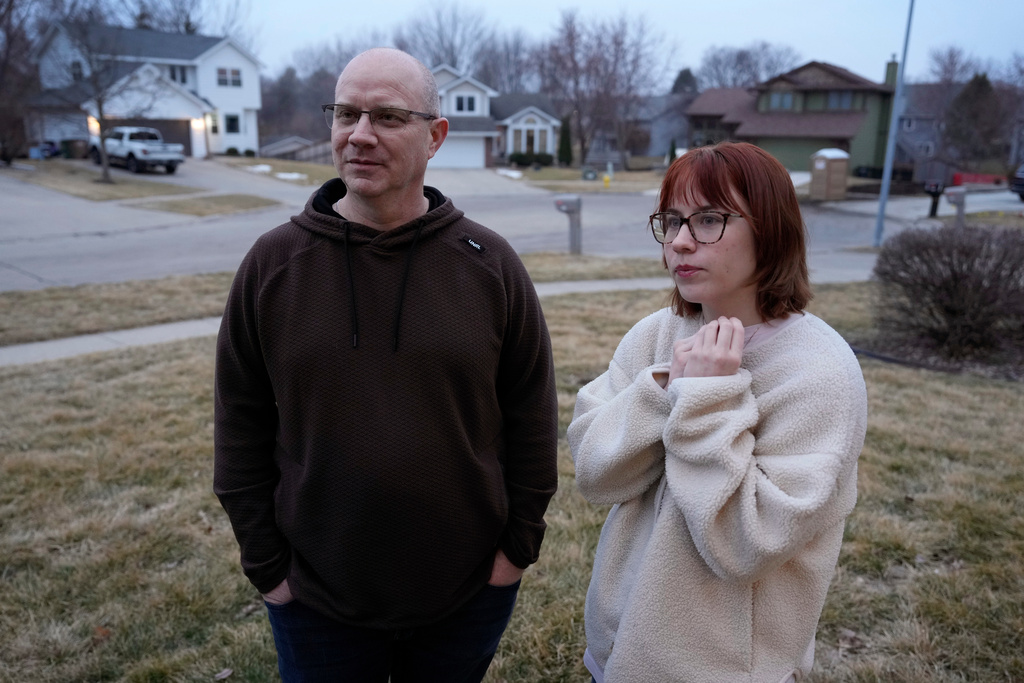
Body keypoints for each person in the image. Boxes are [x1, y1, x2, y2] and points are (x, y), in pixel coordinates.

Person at [213, 47, 558, 682]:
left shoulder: (489, 264)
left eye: (387, 117)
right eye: (346, 114)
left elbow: (532, 417)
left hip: (466, 591)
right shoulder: (273, 266)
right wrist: (268, 568)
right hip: (316, 598)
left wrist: (515, 552)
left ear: (436, 136)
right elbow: (240, 425)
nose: (360, 136)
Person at [567, 142, 867, 682]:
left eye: (708, 220)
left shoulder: (819, 372)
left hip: (723, 669)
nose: (681, 241)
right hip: (617, 649)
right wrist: (664, 388)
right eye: (673, 220)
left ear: (770, 230)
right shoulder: (657, 334)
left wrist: (705, 401)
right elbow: (594, 472)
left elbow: (747, 544)